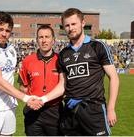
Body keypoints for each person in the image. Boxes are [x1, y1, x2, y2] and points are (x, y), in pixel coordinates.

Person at [39, 8, 119, 136]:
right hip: (70, 113)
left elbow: (113, 77)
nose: (70, 28)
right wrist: (42, 99)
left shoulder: (98, 46)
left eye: (74, 24)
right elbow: (62, 85)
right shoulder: (63, 54)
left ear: (82, 23)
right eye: (67, 25)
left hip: (94, 110)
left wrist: (111, 108)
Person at [0, 11, 42, 136]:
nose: (4, 33)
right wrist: (25, 98)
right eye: (0, 29)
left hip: (9, 106)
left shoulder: (11, 49)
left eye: (7, 30)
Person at [18, 25, 63, 136]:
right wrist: (32, 99)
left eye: (47, 37)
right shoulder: (27, 61)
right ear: (37, 40)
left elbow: (65, 85)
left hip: (55, 112)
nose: (44, 40)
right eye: (41, 37)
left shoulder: (61, 60)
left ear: (53, 40)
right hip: (33, 112)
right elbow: (22, 86)